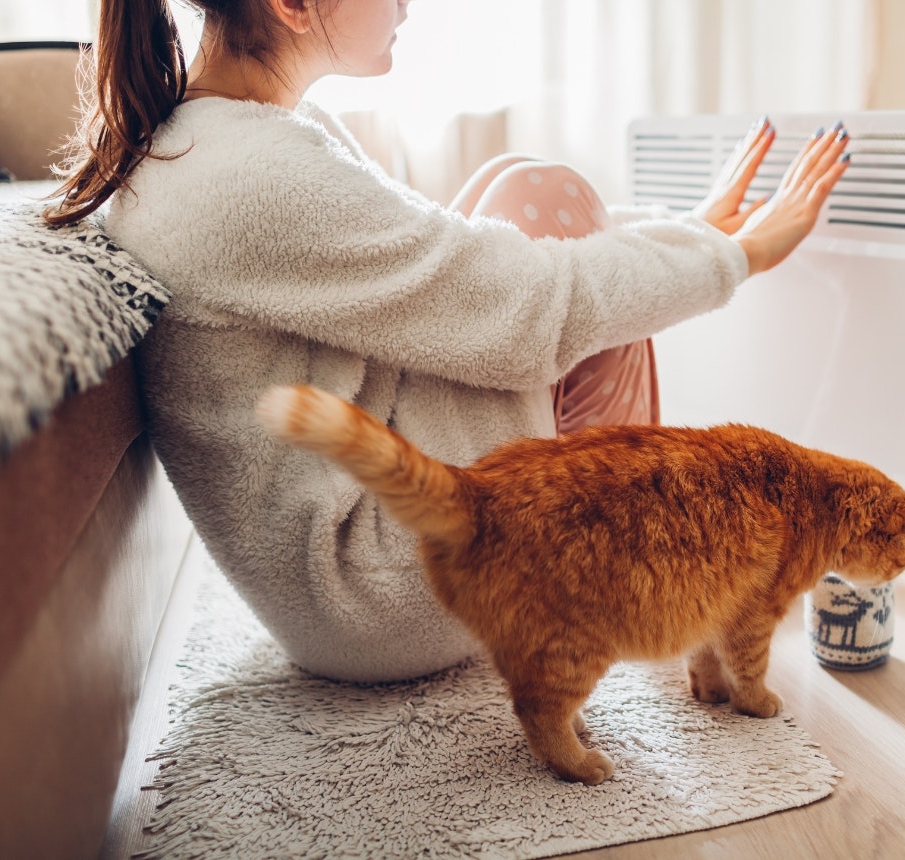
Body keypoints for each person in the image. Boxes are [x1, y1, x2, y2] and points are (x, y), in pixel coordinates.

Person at [47, 0, 850, 682]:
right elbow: (533, 311)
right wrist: (735, 255)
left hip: (349, 564)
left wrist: (691, 237)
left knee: (513, 205)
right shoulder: (247, 174)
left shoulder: (226, 138)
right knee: (547, 206)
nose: (407, 5)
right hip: (380, 588)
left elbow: (456, 268)